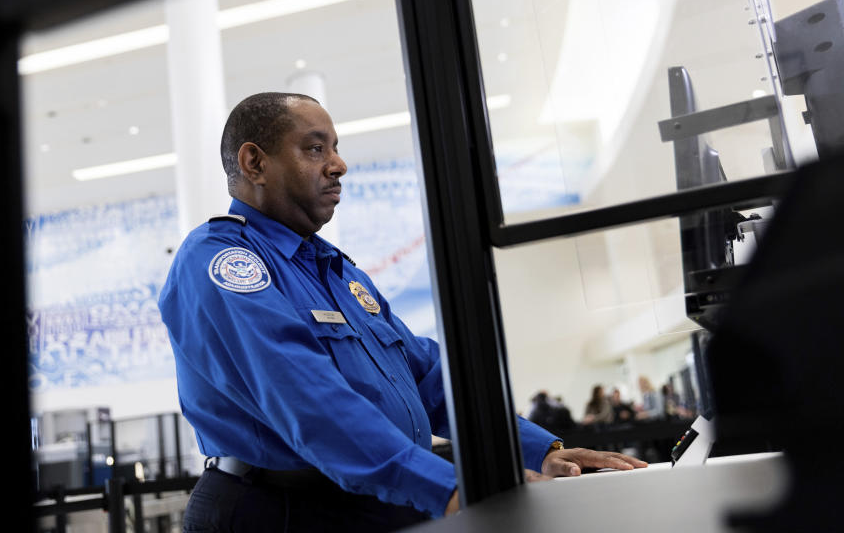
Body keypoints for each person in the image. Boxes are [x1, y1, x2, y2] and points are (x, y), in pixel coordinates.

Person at [158, 93, 646, 532]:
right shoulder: (222, 262)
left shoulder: (333, 268)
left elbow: (426, 377)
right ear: (254, 162)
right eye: (315, 149)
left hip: (372, 499)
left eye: (335, 148)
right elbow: (307, 398)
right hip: (279, 510)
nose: (338, 164)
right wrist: (449, 487)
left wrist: (539, 449)